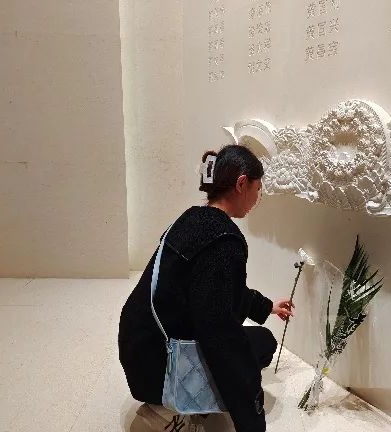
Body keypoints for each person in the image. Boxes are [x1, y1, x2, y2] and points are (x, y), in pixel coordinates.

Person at [119, 144, 294, 432]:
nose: (257, 198)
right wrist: (251, 420)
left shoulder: (191, 218)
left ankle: (177, 405)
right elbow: (220, 335)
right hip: (159, 369)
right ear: (241, 184)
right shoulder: (224, 241)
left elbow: (222, 291)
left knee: (262, 341)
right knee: (252, 349)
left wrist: (267, 307)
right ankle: (169, 413)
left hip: (139, 347)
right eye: (258, 189)